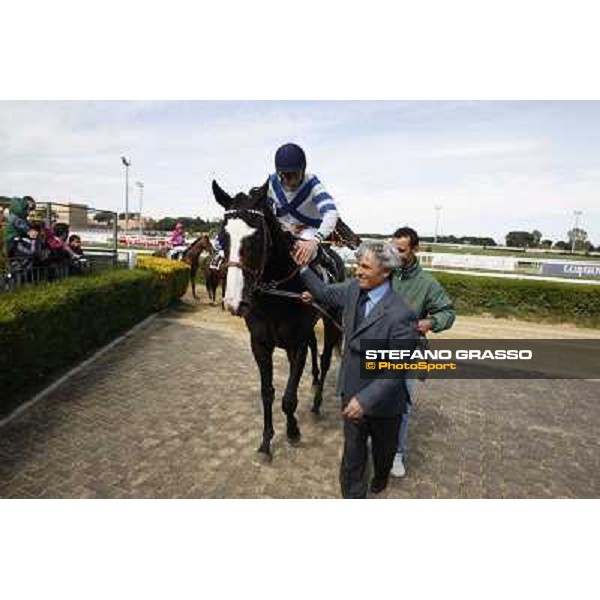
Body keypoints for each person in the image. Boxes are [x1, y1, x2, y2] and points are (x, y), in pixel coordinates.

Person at [298, 241, 417, 498]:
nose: (358, 272)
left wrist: (365, 400)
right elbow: (325, 292)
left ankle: (382, 475)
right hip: (350, 393)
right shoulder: (353, 290)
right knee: (353, 458)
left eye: (365, 267)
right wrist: (302, 268)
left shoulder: (402, 315)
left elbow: (395, 371)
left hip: (385, 405)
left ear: (385, 272)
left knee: (383, 455)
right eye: (357, 265)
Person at [390, 226, 456, 478]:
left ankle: (397, 454)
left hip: (408, 349)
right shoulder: (386, 272)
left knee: (401, 404)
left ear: (415, 249)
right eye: (393, 248)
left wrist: (429, 323)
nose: (396, 254)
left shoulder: (427, 283)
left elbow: (448, 313)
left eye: (402, 250)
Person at [267, 143, 341, 276]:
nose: (291, 181)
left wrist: (315, 241)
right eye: (286, 175)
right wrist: (283, 226)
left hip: (309, 231)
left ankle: (323, 277)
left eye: (295, 174)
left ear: (303, 169)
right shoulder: (271, 183)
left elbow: (331, 212)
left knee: (302, 252)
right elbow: (265, 212)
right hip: (283, 231)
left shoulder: (313, 183)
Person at [3, 196, 40, 262]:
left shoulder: (20, 217)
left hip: (18, 241)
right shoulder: (14, 217)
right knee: (31, 253)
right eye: (27, 209)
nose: (28, 212)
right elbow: (20, 224)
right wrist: (29, 231)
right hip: (14, 242)